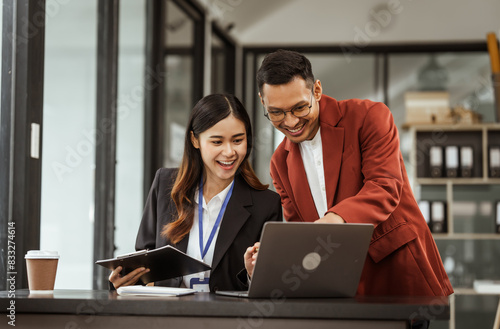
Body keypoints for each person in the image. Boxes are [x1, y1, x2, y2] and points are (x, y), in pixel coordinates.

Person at [245, 49, 453, 297]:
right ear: (262, 102)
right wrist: (270, 259)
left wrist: (333, 220)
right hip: (337, 290)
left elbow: (384, 187)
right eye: (276, 113)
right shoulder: (280, 163)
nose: (290, 122)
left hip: (397, 278)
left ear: (317, 91)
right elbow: (302, 234)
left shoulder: (369, 116)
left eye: (300, 108)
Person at [110, 93, 282, 292]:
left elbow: (271, 287)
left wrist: (254, 273)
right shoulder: (165, 185)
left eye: (237, 140)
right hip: (168, 318)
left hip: (228, 320)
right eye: (217, 142)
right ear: (195, 140)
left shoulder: (266, 205)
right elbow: (144, 261)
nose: (229, 152)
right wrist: (123, 281)